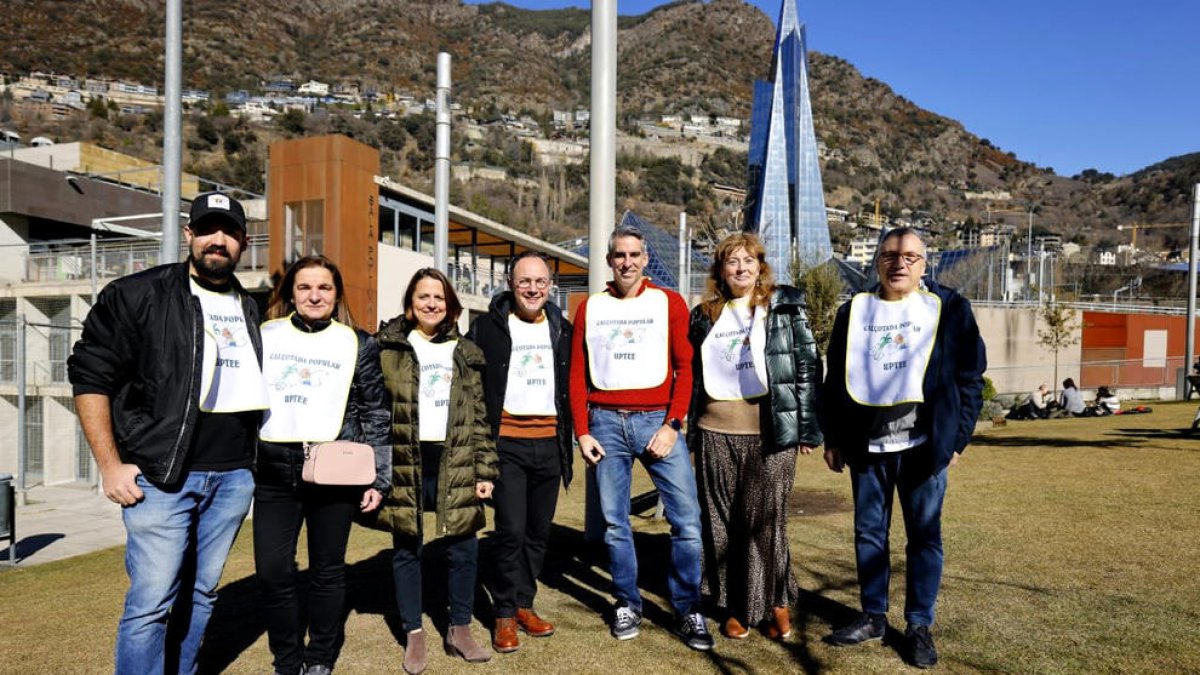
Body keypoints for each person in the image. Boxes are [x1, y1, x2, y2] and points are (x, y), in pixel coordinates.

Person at [68, 192, 268, 675]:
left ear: (243, 241)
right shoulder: (138, 295)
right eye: (206, 229)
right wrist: (110, 465)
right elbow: (91, 377)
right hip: (161, 478)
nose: (216, 241)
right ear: (189, 235)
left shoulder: (253, 308)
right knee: (152, 602)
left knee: (202, 595)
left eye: (228, 232)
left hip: (233, 478)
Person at [821, 227, 986, 669]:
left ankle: (918, 625)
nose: (900, 263)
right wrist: (833, 437)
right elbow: (834, 379)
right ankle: (873, 615)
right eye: (891, 255)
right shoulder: (853, 311)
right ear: (877, 262)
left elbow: (971, 378)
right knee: (869, 534)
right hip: (867, 446)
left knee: (924, 537)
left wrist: (958, 438)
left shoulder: (949, 308)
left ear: (924, 264)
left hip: (924, 446)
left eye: (911, 257)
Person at [569, 225, 713, 651]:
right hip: (605, 422)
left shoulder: (668, 302)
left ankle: (688, 608)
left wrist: (673, 425)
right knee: (616, 524)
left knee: (687, 521)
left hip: (657, 421)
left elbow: (686, 369)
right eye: (619, 256)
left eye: (634, 255)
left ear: (646, 258)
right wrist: (582, 431)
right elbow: (577, 375)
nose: (627, 262)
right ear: (609, 261)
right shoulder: (590, 308)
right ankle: (627, 602)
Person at [254, 255, 392, 675]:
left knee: (327, 570)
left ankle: (319, 657)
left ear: (337, 294)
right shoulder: (264, 335)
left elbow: (376, 411)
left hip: (335, 469)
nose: (314, 295)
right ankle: (287, 657)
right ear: (291, 293)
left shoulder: (359, 342)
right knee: (274, 572)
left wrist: (379, 478)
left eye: (324, 288)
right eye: (305, 287)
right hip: (275, 469)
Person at [686, 233, 823, 641]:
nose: (741, 268)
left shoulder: (783, 306)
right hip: (715, 431)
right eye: (732, 261)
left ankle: (776, 603)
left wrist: (805, 426)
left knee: (766, 522)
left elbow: (806, 367)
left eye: (748, 260)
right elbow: (691, 375)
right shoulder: (704, 315)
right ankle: (737, 607)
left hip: (770, 433)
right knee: (723, 523)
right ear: (720, 270)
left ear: (760, 266)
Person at [369, 268, 499, 675]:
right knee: (408, 546)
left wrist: (485, 470)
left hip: (455, 457)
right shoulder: (387, 347)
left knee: (464, 546)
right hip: (407, 457)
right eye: (423, 296)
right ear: (410, 303)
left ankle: (459, 628)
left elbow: (479, 416)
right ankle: (414, 632)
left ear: (450, 305)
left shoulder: (466, 352)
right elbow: (373, 408)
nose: (431, 304)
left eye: (438, 297)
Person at [466, 251, 572, 653]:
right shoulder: (487, 328)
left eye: (540, 282)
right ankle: (505, 614)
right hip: (505, 444)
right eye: (525, 281)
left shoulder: (563, 327)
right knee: (509, 530)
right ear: (511, 283)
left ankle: (525, 604)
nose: (533, 289)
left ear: (550, 286)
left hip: (549, 443)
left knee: (537, 533)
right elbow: (473, 391)